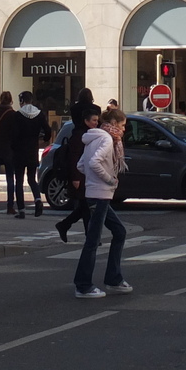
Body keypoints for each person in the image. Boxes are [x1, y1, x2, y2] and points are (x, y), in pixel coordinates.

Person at [73, 106, 132, 299]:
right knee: (93, 240)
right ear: (114, 124)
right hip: (100, 194)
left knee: (119, 231)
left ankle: (113, 278)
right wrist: (109, 179)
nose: (124, 130)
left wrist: (92, 180)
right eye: (122, 126)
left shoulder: (94, 139)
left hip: (96, 194)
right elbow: (92, 163)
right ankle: (83, 285)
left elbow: (81, 165)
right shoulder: (107, 139)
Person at [55, 88, 99, 242]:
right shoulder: (84, 136)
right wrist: (75, 176)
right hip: (81, 173)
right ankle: (90, 235)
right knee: (86, 205)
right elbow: (75, 157)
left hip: (83, 172)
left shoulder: (76, 118)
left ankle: (65, 225)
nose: (96, 122)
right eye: (94, 120)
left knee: (85, 205)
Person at [12, 90, 52, 217]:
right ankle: (38, 200)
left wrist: (12, 147)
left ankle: (21, 210)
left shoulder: (17, 115)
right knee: (31, 179)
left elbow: (13, 134)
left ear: (22, 101)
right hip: (32, 150)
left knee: (19, 180)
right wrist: (44, 140)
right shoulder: (39, 114)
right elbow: (48, 130)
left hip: (19, 151)